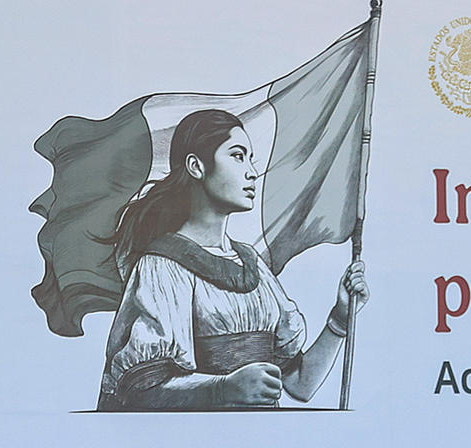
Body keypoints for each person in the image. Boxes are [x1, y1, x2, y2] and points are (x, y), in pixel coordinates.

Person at [98, 109, 367, 409]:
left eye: (250, 158)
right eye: (238, 156)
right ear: (196, 166)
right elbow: (140, 393)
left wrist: (340, 319)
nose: (252, 171)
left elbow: (299, 385)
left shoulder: (253, 265)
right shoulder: (163, 266)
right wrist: (223, 389)